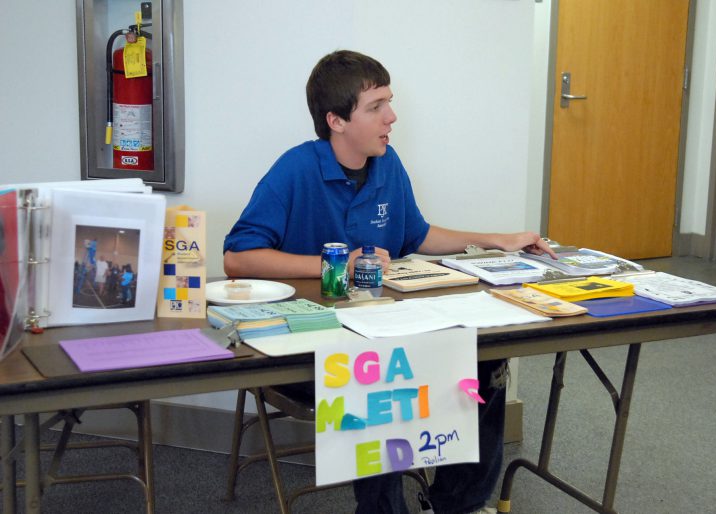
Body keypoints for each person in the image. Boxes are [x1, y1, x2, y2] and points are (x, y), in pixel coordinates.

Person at [223, 50, 556, 514]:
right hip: (314, 349)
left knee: (484, 356)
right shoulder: (296, 169)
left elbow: (417, 235)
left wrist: (498, 240)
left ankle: (458, 504)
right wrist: (332, 265)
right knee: (377, 371)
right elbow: (238, 258)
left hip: (386, 331)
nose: (392, 116)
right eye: (376, 106)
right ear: (336, 120)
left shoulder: (387, 163)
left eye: (389, 102)